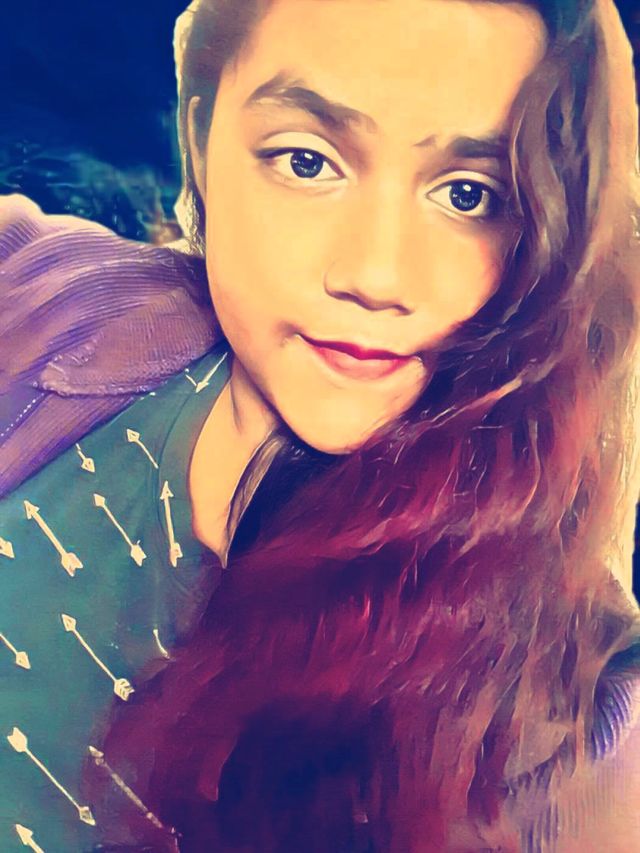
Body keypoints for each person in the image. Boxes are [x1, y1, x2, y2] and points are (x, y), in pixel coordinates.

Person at [0, 0, 639, 850]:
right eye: (307, 161)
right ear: (200, 142)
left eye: (469, 194)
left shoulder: (568, 720)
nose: (375, 274)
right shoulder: (50, 291)